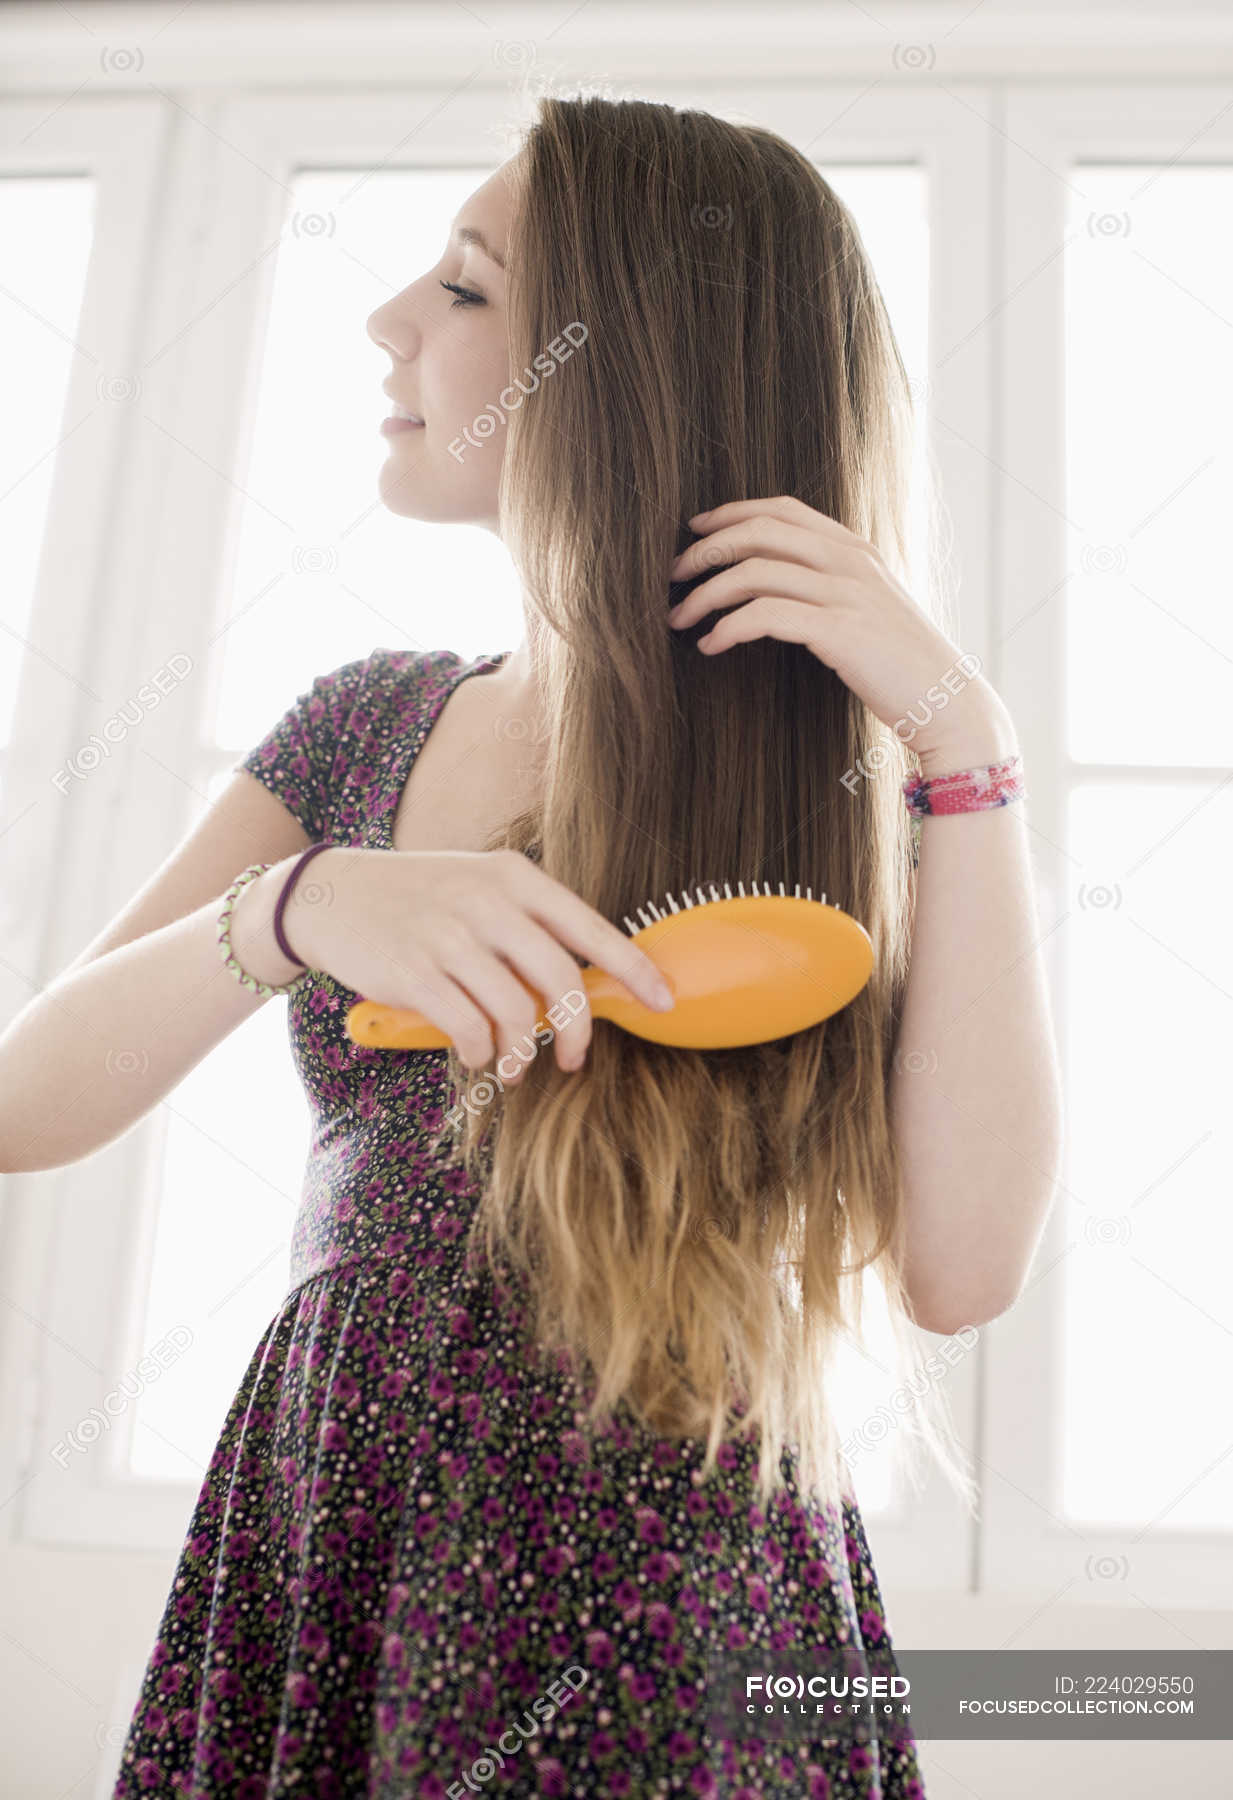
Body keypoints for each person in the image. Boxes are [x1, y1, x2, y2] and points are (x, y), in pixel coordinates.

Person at [4, 92, 1061, 1800]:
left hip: (693, 1611)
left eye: (469, 290)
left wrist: (966, 747)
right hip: (341, 1525)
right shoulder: (360, 731)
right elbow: (21, 1103)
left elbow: (962, 1267)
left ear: (620, 365)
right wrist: (291, 909)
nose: (389, 319)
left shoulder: (851, 783)